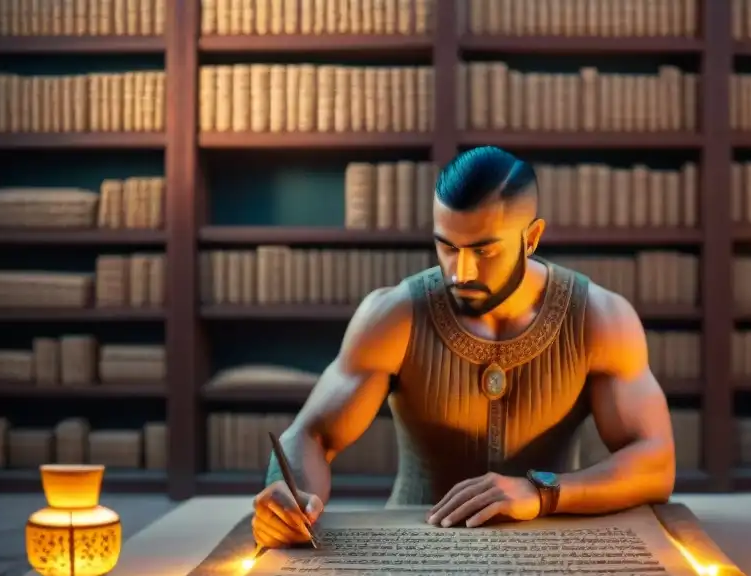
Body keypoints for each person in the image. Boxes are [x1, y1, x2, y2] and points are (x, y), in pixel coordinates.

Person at [251, 146, 677, 548]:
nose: (460, 271)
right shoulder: (394, 314)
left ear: (531, 238)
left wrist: (542, 491)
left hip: (548, 547)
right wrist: (289, 498)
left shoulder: (600, 318)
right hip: (415, 548)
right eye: (447, 247)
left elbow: (655, 462)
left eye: (484, 249)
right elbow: (311, 434)